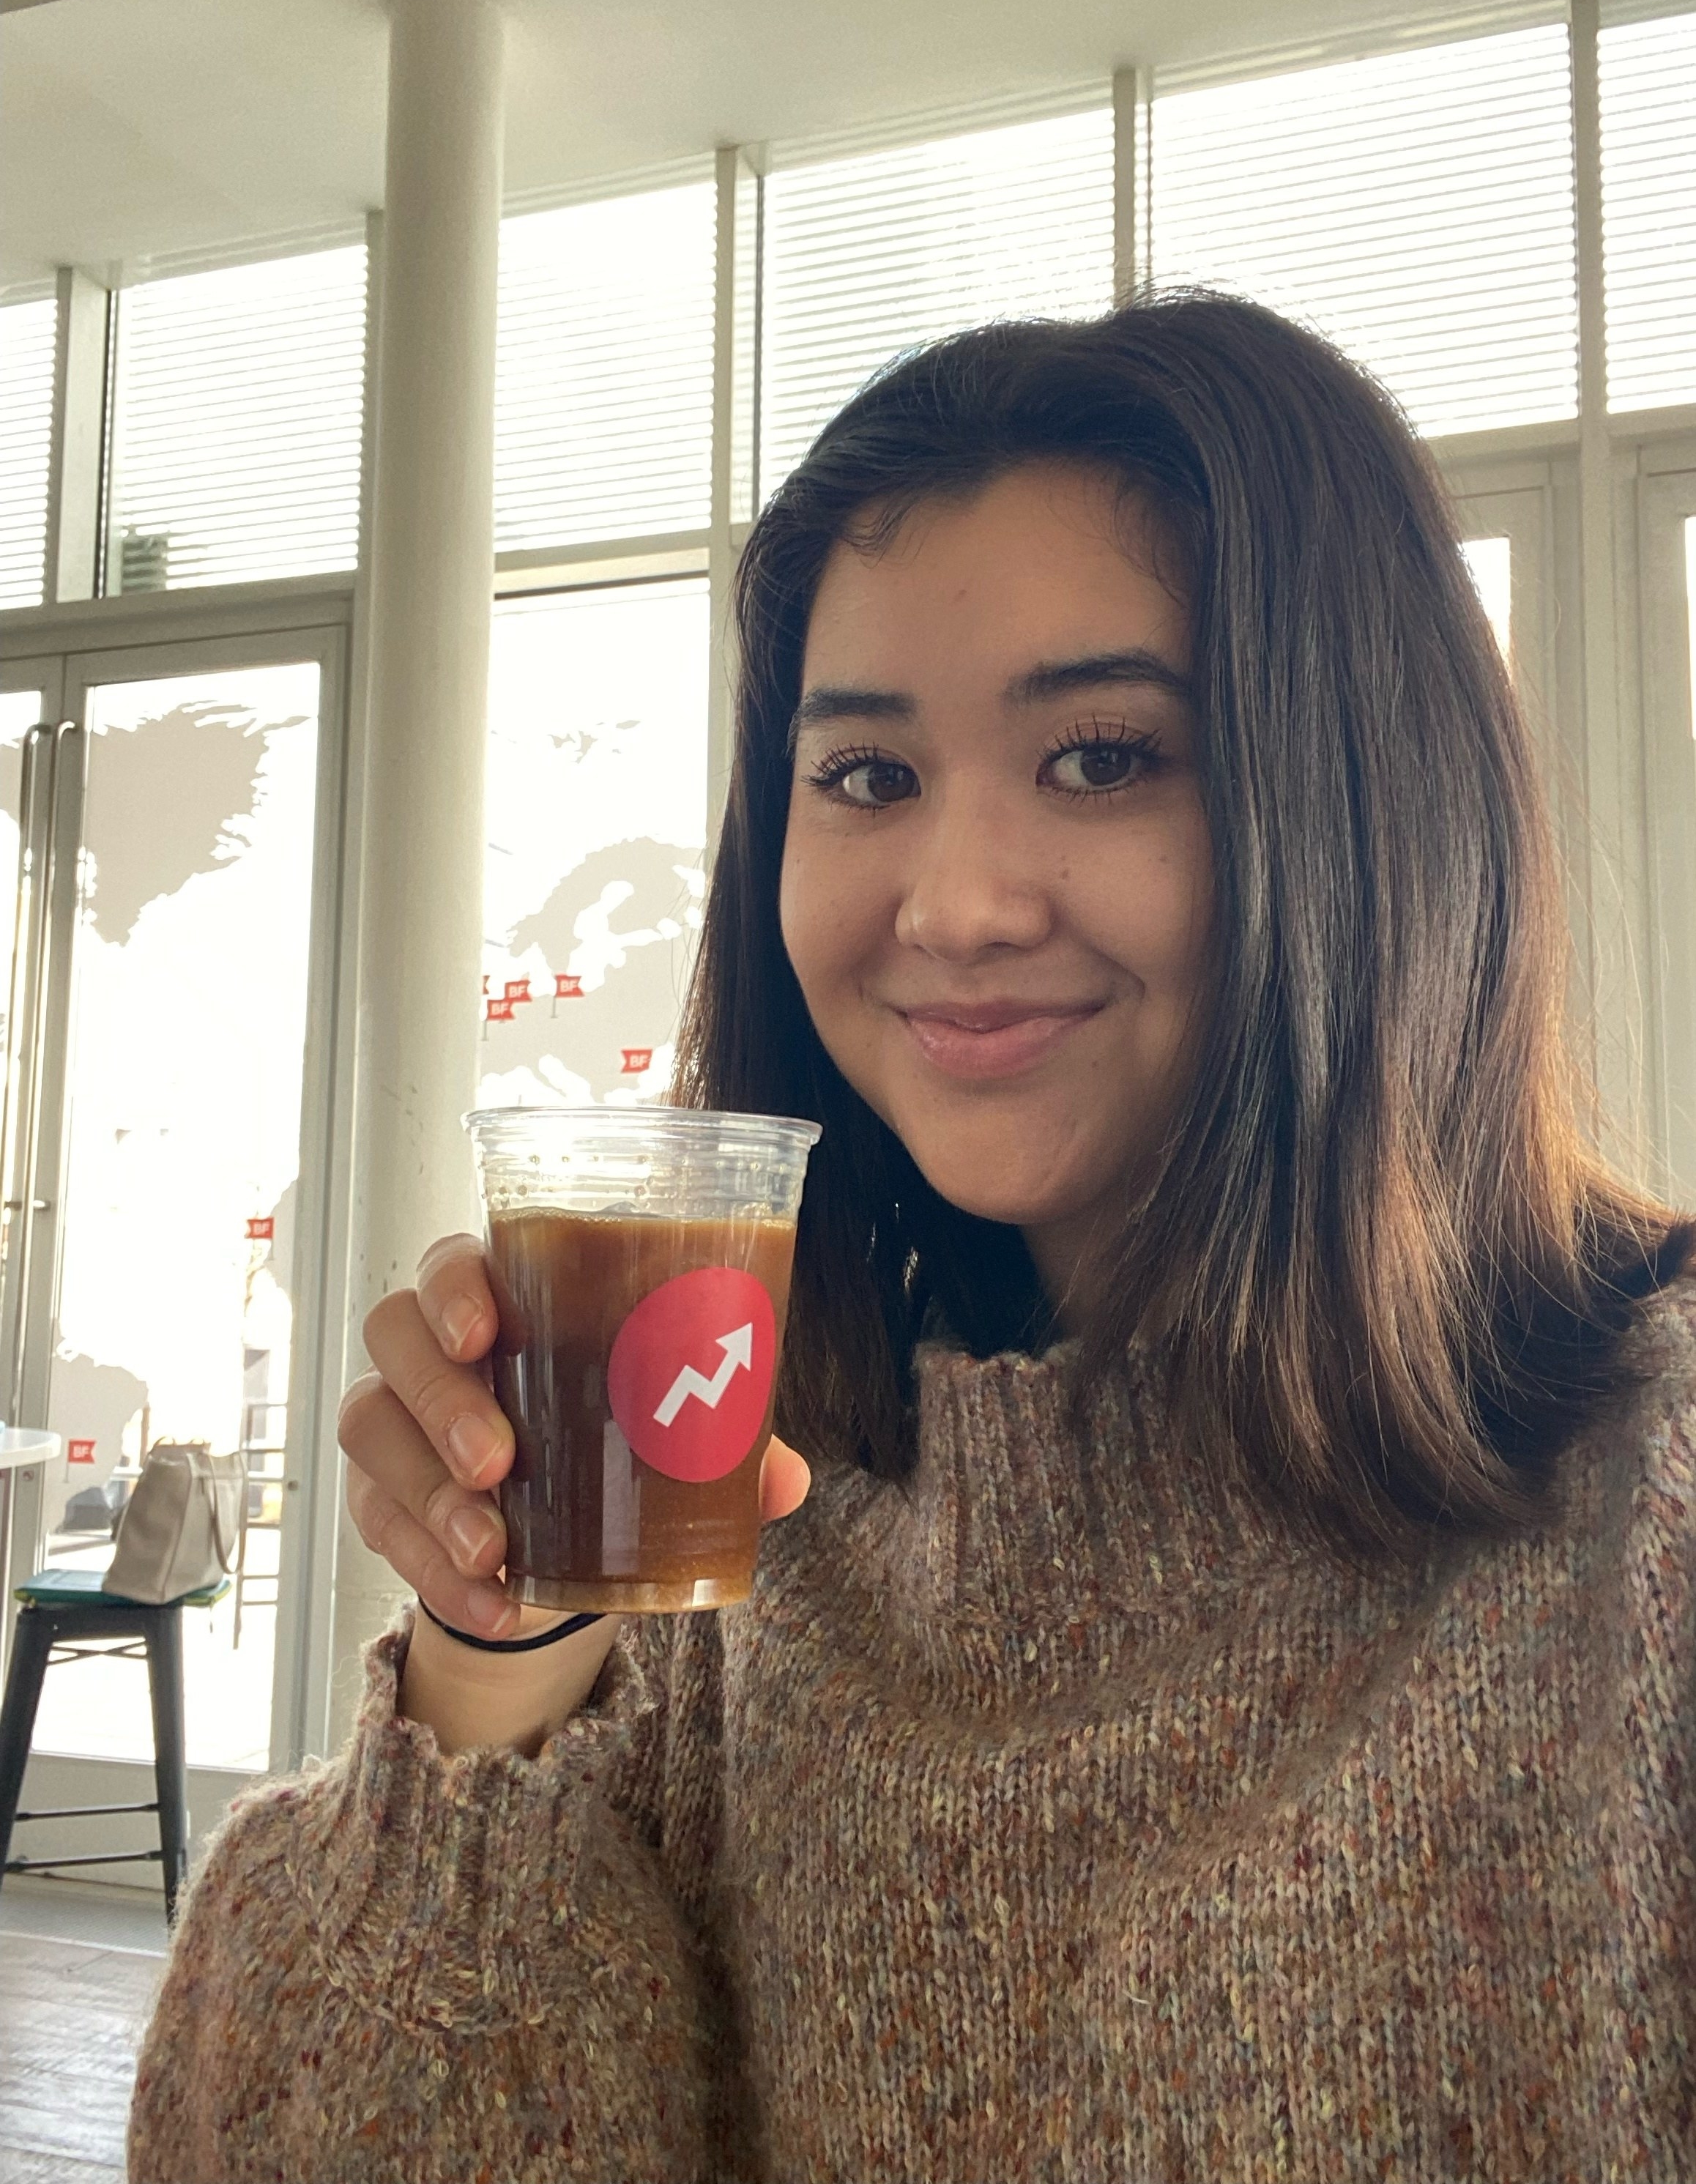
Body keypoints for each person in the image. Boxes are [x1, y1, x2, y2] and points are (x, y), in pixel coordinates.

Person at [129, 294, 1695, 2184]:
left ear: (1371, 796)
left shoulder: (1652, 1494)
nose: (948, 906)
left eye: (1105, 756)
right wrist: (502, 1660)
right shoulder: (744, 1512)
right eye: (864, 776)